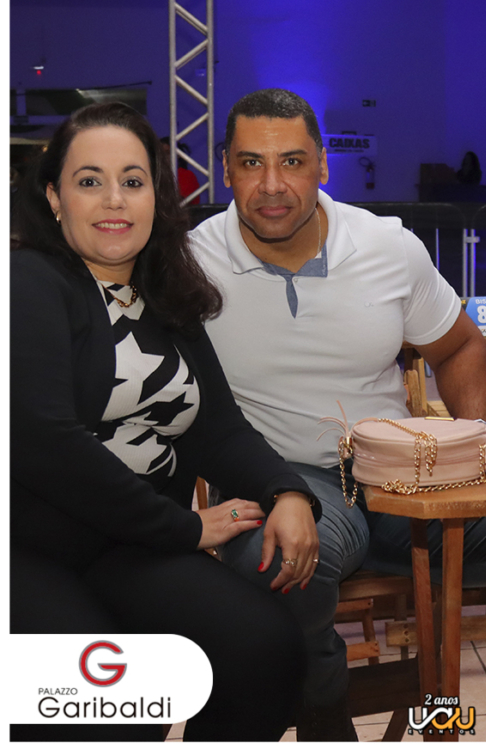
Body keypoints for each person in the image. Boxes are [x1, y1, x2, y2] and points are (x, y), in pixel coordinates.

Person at [190, 88, 486, 740]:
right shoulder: (190, 262)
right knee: (285, 558)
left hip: (394, 470)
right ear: (226, 169)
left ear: (323, 164)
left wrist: (473, 441)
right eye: (250, 163)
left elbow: (459, 346)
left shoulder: (385, 245)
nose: (271, 185)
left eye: (292, 161)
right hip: (277, 479)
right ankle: (326, 727)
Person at [10, 102, 317, 742]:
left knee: (264, 649)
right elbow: (46, 443)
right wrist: (184, 528)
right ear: (54, 197)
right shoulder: (28, 281)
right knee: (105, 705)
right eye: (89, 181)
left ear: (157, 196)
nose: (114, 200)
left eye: (133, 180)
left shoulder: (164, 289)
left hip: (131, 548)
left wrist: (286, 490)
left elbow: (217, 428)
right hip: (34, 551)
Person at [160, 136, 201, 205]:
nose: (163, 157)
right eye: (160, 154)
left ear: (178, 155)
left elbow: (180, 202)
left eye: (167, 153)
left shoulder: (187, 175)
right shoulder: (153, 175)